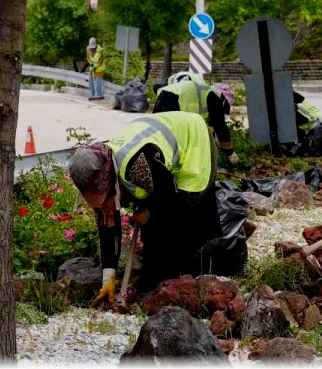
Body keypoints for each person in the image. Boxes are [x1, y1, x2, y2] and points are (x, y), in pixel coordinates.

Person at [68, 111, 229, 300]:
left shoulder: (137, 164)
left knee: (184, 212)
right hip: (158, 164)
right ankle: (154, 282)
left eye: (105, 202)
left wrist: (147, 212)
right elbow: (108, 227)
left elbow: (168, 193)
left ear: (112, 185)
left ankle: (182, 278)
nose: (104, 208)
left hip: (192, 137)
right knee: (153, 226)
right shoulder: (101, 174)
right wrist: (108, 278)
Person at [152, 77, 240, 165]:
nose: (223, 111)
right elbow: (220, 127)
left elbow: (211, 126)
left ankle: (156, 162)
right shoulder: (215, 97)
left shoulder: (204, 93)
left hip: (163, 96)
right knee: (172, 139)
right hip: (173, 100)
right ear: (224, 100)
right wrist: (231, 153)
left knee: (160, 136)